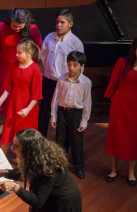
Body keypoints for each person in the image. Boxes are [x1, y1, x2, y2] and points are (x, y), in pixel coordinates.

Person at [104, 37, 137, 186]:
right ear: (134, 49)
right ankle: (114, 170)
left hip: (134, 107)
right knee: (115, 136)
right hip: (119, 105)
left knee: (131, 139)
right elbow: (113, 81)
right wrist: (111, 97)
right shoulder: (122, 62)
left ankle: (130, 172)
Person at [0, 8, 42, 139]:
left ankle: (18, 130)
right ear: (10, 21)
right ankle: (0, 127)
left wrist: (29, 68)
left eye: (20, 27)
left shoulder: (33, 29)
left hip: (24, 71)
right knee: (4, 99)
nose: (17, 29)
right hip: (5, 69)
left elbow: (37, 51)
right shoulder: (2, 26)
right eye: (14, 26)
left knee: (21, 100)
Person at [0, 39, 43, 153]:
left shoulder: (35, 70)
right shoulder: (14, 65)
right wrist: (1, 100)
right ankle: (1, 160)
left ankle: (23, 164)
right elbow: (9, 86)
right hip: (14, 105)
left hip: (27, 109)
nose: (16, 55)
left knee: (24, 138)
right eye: (17, 52)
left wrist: (27, 110)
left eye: (20, 52)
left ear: (29, 53)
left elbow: (36, 95)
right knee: (7, 133)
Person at [40, 9, 84, 138]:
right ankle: (40, 140)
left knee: (62, 115)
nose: (58, 25)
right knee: (44, 112)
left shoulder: (75, 43)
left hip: (65, 83)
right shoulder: (49, 37)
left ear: (70, 24)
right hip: (48, 81)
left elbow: (80, 68)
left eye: (62, 22)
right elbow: (42, 58)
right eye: (57, 22)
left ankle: (61, 145)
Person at [50, 51, 92, 179]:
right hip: (62, 112)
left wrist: (84, 120)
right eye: (69, 64)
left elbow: (87, 102)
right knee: (60, 140)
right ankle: (59, 165)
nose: (71, 68)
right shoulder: (62, 79)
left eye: (75, 65)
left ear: (81, 66)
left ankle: (79, 167)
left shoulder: (86, 82)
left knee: (76, 141)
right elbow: (56, 98)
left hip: (76, 114)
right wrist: (53, 115)